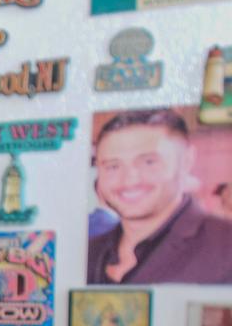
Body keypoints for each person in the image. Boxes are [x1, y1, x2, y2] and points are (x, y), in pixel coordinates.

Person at [87, 108, 232, 284]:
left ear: (186, 161)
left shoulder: (224, 247)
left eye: (149, 162)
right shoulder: (89, 250)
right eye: (113, 166)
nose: (129, 180)